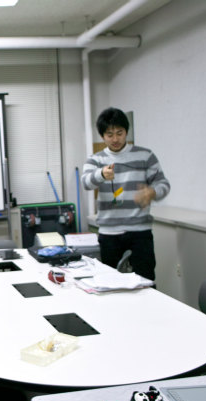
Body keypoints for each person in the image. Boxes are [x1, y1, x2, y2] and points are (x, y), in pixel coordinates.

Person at [81, 107, 170, 280]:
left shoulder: (145, 155)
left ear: (126, 132)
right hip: (109, 233)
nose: (115, 139)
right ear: (102, 136)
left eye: (119, 133)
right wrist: (101, 174)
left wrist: (152, 192)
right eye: (109, 134)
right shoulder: (96, 160)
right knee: (110, 283)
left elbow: (163, 184)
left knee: (145, 282)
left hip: (140, 231)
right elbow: (85, 183)